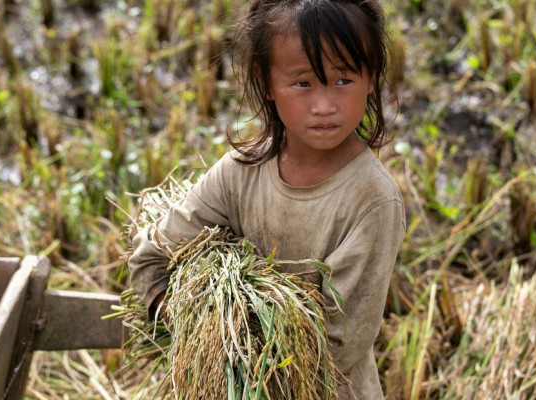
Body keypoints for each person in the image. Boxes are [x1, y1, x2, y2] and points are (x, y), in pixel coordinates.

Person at [128, 0, 405, 397]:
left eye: (343, 80)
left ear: (371, 76)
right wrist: (200, 330)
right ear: (267, 82)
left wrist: (236, 349)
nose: (324, 105)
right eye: (303, 83)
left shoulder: (371, 200)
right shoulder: (238, 173)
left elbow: (335, 348)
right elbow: (151, 258)